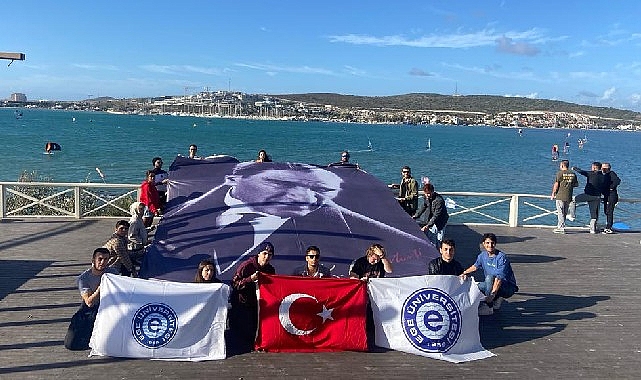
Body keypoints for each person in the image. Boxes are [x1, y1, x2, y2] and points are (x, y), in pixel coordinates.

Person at [64, 248, 118, 350]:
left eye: (106, 259)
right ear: (93, 260)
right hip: (91, 309)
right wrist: (102, 285)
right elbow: (89, 302)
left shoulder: (113, 273)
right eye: (100, 259)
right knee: (70, 344)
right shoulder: (83, 278)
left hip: (109, 306)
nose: (103, 262)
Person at [229, 242, 276, 352]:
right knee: (242, 334)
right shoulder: (247, 266)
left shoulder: (270, 270)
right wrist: (250, 279)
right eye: (264, 253)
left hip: (259, 305)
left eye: (270, 254)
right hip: (242, 303)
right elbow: (234, 284)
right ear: (259, 254)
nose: (267, 257)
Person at [460, 233, 518, 316]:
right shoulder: (482, 256)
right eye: (487, 243)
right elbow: (475, 266)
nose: (490, 245)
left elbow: (499, 278)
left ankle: (489, 306)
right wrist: (463, 273)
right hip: (491, 284)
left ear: (495, 244)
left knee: (489, 278)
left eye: (492, 243)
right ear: (483, 244)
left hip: (507, 286)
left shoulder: (501, 257)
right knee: (475, 286)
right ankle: (497, 298)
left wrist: (492, 294)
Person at [568, 162, 605, 234]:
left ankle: (571, 215)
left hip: (588, 195)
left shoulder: (591, 174)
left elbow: (581, 172)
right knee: (594, 215)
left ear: (594, 167)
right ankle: (592, 229)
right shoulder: (603, 176)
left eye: (592, 167)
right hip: (597, 197)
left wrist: (574, 168)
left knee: (573, 200)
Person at [414, 183, 449, 247]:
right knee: (431, 238)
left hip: (440, 221)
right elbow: (423, 207)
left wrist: (427, 226)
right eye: (426, 193)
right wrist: (415, 216)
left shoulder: (439, 201)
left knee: (439, 240)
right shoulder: (426, 197)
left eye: (430, 193)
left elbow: (436, 215)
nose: (428, 195)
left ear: (433, 191)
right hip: (432, 220)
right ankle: (434, 252)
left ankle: (439, 253)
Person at [550, 159, 579, 234]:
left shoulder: (560, 173)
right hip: (569, 195)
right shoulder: (573, 174)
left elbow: (556, 184)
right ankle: (561, 225)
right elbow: (576, 184)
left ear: (562, 165)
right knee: (565, 212)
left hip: (560, 195)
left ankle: (561, 227)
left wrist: (553, 193)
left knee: (560, 212)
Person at [601, 162, 621, 234]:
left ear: (606, 168)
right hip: (606, 196)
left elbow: (617, 181)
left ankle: (609, 227)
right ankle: (608, 225)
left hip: (612, 196)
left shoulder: (611, 174)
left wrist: (611, 187)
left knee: (609, 211)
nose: (601, 169)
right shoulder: (605, 175)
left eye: (603, 168)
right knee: (606, 211)